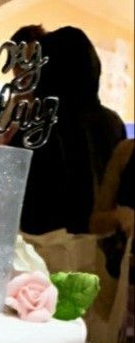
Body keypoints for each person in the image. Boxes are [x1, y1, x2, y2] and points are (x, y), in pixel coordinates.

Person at [14, 26, 127, 235]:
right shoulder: (112, 122)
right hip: (100, 247)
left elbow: (16, 205)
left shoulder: (39, 124)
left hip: (44, 250)